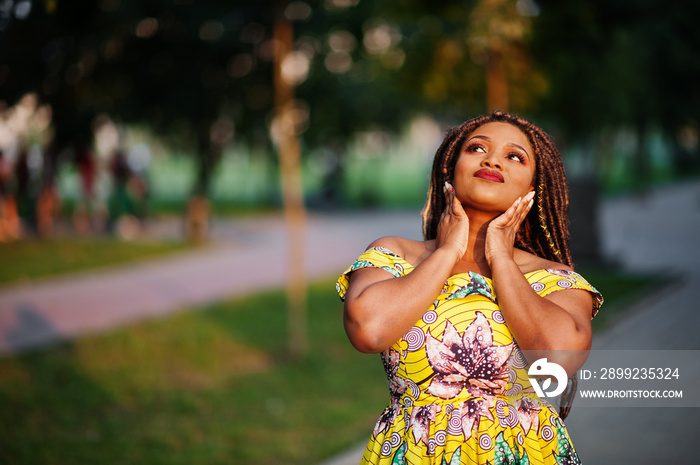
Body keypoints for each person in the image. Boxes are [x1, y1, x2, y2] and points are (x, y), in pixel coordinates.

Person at [336, 111, 603, 464]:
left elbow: (557, 360)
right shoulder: (394, 255)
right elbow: (368, 331)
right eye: (477, 148)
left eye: (514, 156)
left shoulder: (555, 279)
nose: (493, 159)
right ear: (451, 169)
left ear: (532, 188)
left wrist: (502, 259)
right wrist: (447, 252)